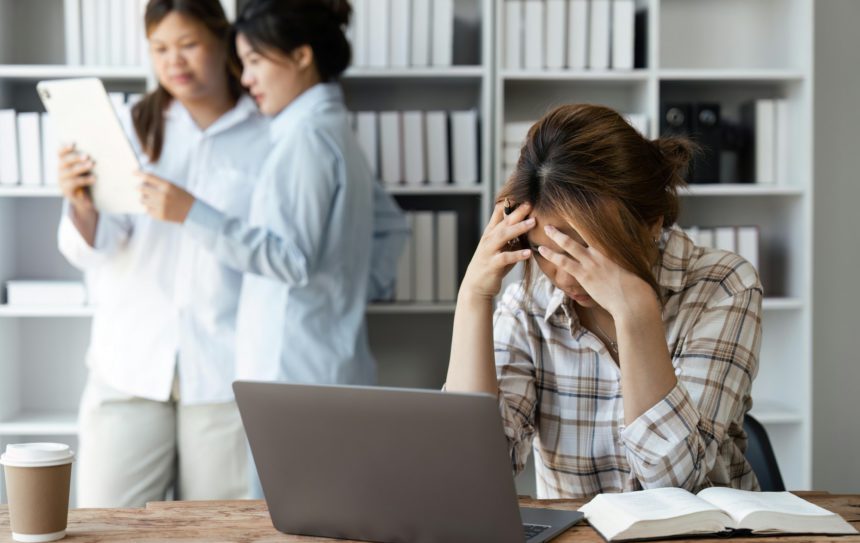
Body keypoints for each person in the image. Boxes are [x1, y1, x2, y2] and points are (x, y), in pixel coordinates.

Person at [444, 104, 763, 498]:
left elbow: (678, 488)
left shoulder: (724, 286)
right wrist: (473, 298)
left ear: (652, 225)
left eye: (583, 251)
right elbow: (469, 477)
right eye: (547, 251)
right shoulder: (527, 304)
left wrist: (635, 312)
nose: (565, 276)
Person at [58, 0, 268, 507]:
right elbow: (97, 246)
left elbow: (275, 250)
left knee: (223, 541)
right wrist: (79, 206)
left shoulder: (267, 132)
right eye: (160, 48)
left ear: (224, 41)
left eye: (189, 44)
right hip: (128, 364)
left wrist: (193, 212)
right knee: (107, 534)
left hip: (224, 372)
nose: (174, 61)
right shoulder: (130, 127)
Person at [138, 0, 396, 392]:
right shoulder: (329, 129)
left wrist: (191, 213)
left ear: (301, 57)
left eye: (255, 61)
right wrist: (344, 294)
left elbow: (291, 259)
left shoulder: (306, 137)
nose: (245, 78)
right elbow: (392, 227)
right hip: (321, 359)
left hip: (293, 370)